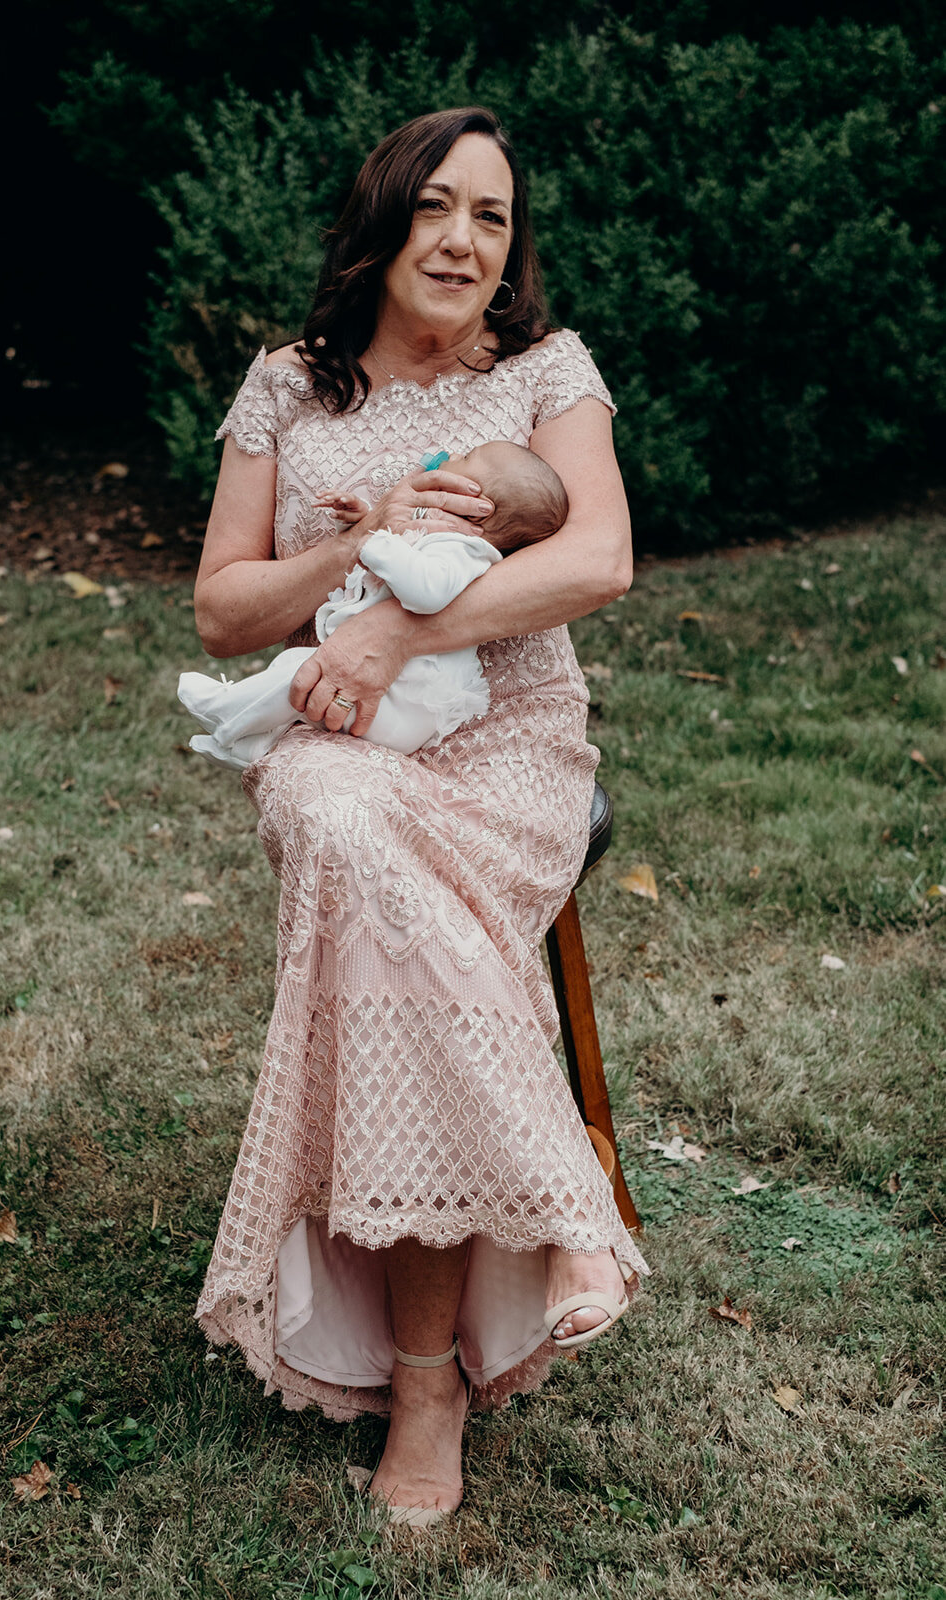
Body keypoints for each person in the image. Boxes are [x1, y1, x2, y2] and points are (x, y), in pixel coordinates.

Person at [191, 105, 648, 1528]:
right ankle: (541, 1231)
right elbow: (219, 609)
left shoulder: (544, 373)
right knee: (340, 824)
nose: (463, 240)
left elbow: (600, 560)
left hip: (510, 745)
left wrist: (391, 629)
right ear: (385, 216)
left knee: (368, 875)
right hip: (335, 745)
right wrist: (348, 541)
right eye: (438, 206)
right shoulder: (286, 388)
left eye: (492, 217)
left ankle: (425, 1373)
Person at [176, 441, 569, 770]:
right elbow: (398, 553)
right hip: (393, 701)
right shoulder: (439, 536)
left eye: (466, 458)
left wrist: (374, 542)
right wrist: (360, 521)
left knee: (300, 670)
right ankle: (248, 746)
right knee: (294, 669)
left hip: (407, 707)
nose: (453, 455)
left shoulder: (467, 549)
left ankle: (227, 717)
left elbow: (426, 590)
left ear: (476, 502)